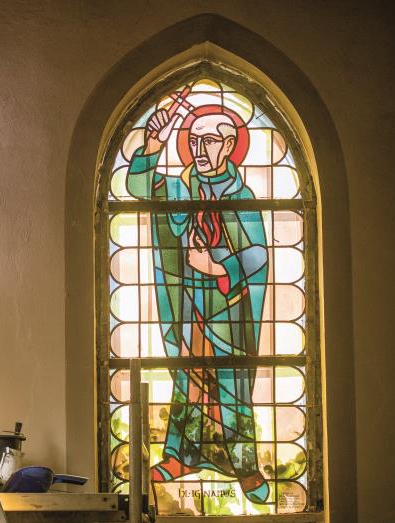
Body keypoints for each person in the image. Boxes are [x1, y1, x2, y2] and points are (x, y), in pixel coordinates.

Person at [127, 107, 270, 504]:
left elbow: (258, 253)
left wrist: (217, 264)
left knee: (231, 385)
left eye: (208, 141)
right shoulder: (178, 189)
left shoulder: (242, 197)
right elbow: (138, 187)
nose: (199, 149)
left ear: (228, 145)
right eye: (193, 141)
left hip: (228, 308)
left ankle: (245, 467)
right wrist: (152, 145)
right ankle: (180, 457)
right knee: (188, 378)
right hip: (188, 302)